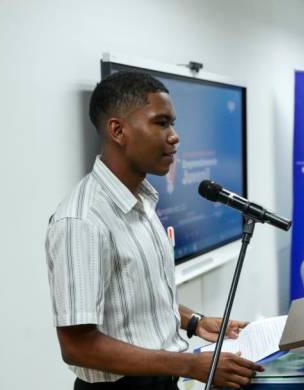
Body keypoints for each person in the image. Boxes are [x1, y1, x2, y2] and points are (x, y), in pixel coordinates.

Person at [45, 71, 262, 389]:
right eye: (161, 123)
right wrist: (191, 365)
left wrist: (195, 322)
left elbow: (136, 299)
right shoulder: (82, 221)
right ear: (118, 130)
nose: (175, 136)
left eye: (172, 123)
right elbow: (78, 345)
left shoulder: (143, 200)